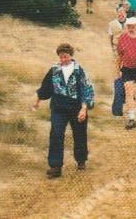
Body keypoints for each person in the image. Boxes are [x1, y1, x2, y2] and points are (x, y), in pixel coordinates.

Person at [33, 43, 94, 177]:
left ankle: (81, 159)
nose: (63, 60)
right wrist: (37, 101)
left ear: (71, 56)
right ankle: (55, 166)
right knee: (56, 133)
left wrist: (84, 109)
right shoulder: (54, 70)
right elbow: (45, 87)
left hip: (76, 107)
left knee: (79, 134)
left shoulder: (79, 71)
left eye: (65, 57)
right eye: (60, 57)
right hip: (58, 107)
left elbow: (87, 90)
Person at [115, 17, 136, 130]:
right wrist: (117, 71)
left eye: (132, 26)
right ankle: (131, 118)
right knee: (129, 92)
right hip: (127, 69)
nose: (130, 28)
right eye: (128, 26)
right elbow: (119, 55)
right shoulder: (123, 37)